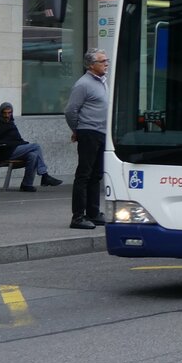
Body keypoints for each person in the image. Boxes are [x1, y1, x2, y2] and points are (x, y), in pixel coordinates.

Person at [65, 49, 109, 230]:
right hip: (89, 132)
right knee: (84, 175)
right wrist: (77, 130)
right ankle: (78, 217)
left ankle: (93, 213)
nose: (106, 63)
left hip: (101, 132)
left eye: (106, 60)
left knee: (96, 175)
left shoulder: (102, 81)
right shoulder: (83, 84)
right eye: (102, 61)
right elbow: (70, 110)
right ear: (91, 65)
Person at [0, 102, 62, 191]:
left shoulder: (11, 123)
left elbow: (18, 139)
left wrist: (23, 144)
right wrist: (9, 144)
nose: (7, 115)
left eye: (9, 113)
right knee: (36, 146)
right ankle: (44, 175)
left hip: (14, 150)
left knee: (33, 155)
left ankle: (27, 184)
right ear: (0, 113)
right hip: (4, 153)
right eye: (5, 113)